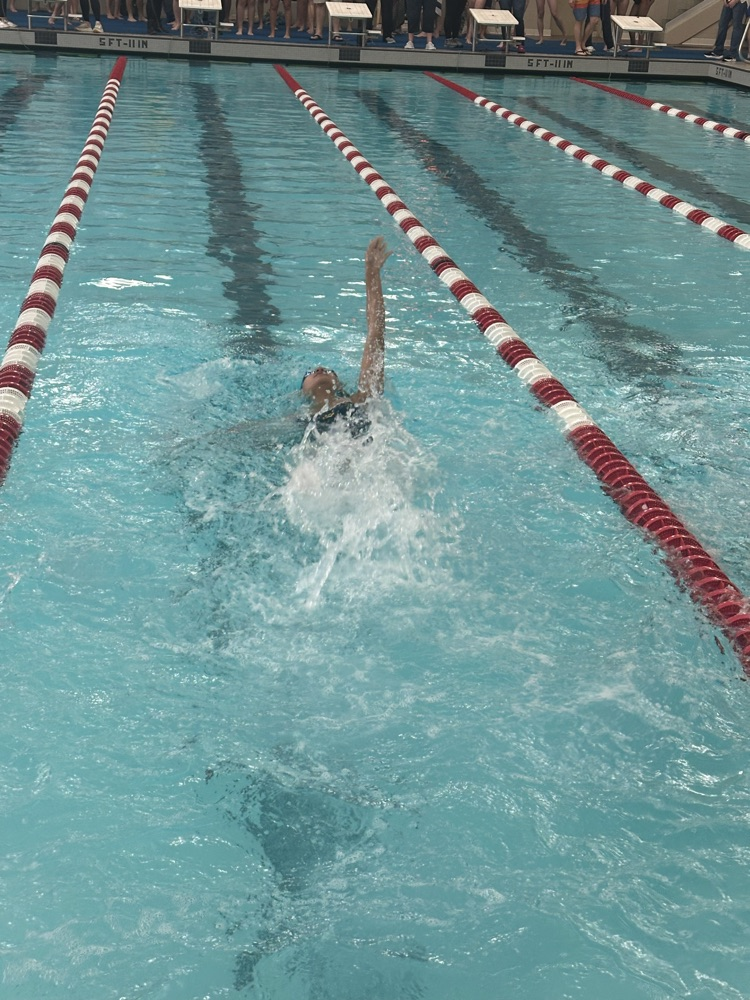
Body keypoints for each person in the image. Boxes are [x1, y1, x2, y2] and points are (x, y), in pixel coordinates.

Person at [300, 236, 391, 439]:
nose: (320, 369)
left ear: (339, 385)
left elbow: (375, 334)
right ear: (302, 392)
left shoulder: (363, 398)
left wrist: (372, 275)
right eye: (310, 372)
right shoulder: (300, 418)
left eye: (329, 371)